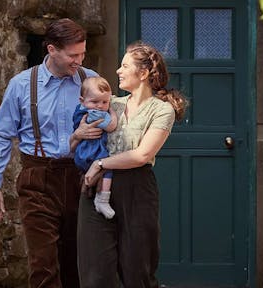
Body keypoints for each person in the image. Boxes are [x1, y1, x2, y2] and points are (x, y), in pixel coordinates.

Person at [0, 18, 101, 288]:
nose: (79, 60)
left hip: (80, 177)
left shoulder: (91, 80)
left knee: (76, 261)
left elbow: (111, 126)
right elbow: (2, 135)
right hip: (38, 178)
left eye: (82, 53)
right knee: (43, 263)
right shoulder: (22, 85)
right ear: (51, 50)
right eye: (73, 55)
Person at [75, 41, 187, 287]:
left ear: (144, 73)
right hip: (94, 188)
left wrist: (101, 164)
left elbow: (142, 155)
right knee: (95, 274)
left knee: (137, 270)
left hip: (136, 188)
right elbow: (77, 134)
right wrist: (78, 135)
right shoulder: (110, 103)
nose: (118, 71)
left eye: (125, 66)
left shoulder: (161, 110)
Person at [72, 76, 117, 219]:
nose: (100, 105)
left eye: (105, 102)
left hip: (83, 153)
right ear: (82, 101)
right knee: (108, 169)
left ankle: (98, 195)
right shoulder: (94, 114)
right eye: (95, 101)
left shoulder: (79, 110)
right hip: (92, 152)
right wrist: (113, 113)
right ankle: (103, 199)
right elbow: (111, 127)